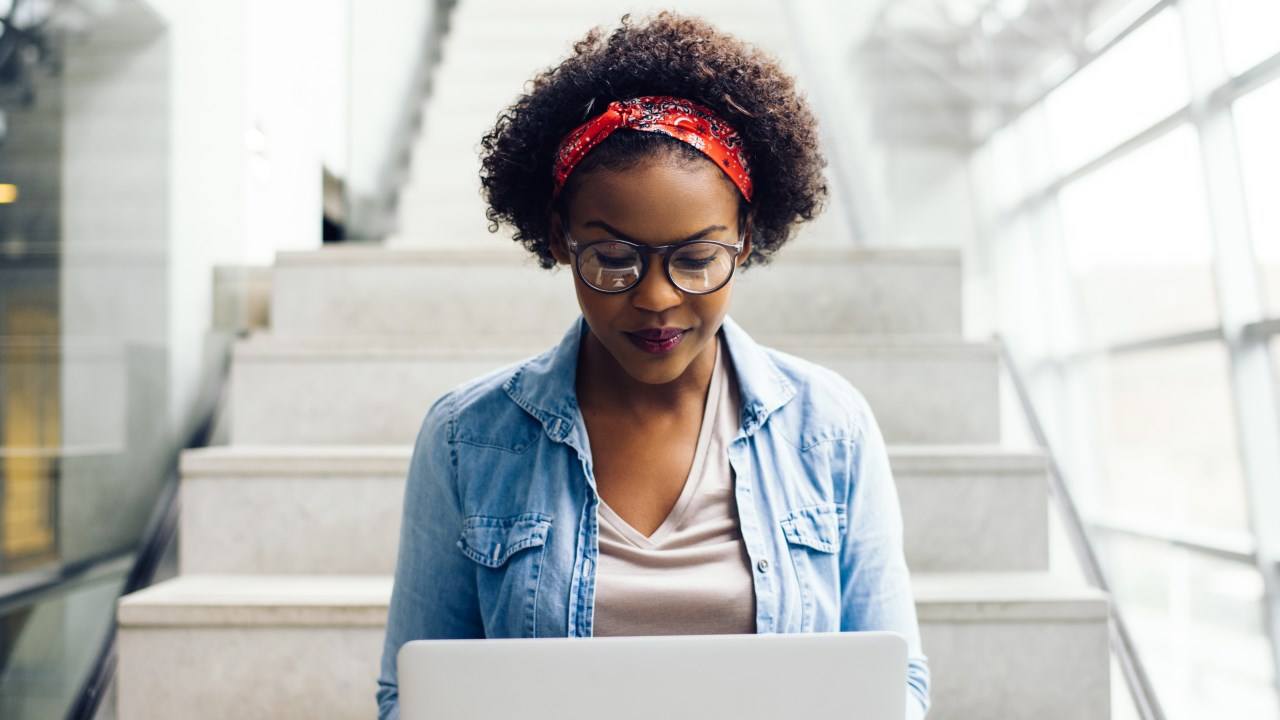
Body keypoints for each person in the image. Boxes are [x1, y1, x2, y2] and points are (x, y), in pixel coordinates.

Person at [377, 12, 930, 719]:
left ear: (746, 240)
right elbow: (410, 697)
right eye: (613, 259)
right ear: (559, 239)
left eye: (697, 259)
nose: (657, 298)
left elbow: (899, 688)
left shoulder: (830, 427)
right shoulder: (466, 439)